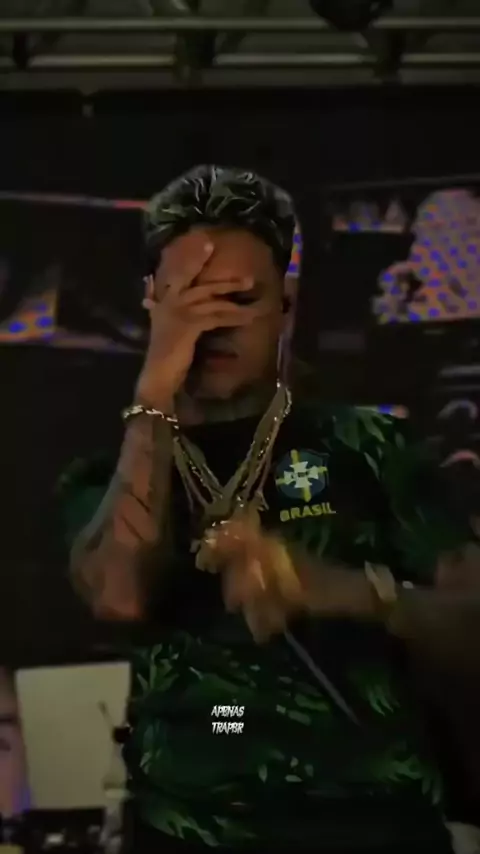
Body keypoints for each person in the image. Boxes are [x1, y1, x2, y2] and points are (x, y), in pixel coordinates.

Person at [63, 165, 480, 854]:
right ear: (152, 304)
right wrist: (154, 393)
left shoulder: (370, 446)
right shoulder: (108, 467)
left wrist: (348, 591)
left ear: (286, 306)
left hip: (367, 829)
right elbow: (118, 594)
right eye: (190, 300)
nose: (215, 325)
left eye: (239, 298)